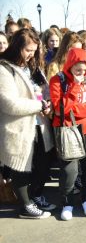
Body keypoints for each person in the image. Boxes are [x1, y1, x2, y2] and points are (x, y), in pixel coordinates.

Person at [0, 28, 55, 219]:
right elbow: (9, 103)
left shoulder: (33, 66)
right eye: (28, 50)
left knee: (43, 162)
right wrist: (39, 104)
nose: (31, 54)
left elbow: (45, 89)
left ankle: (35, 197)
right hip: (19, 127)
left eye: (34, 50)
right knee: (21, 167)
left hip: (40, 123)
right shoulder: (4, 68)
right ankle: (25, 205)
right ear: (17, 47)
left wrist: (48, 105)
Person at [50, 48, 86, 221]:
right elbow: (59, 109)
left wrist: (75, 110)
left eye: (84, 69)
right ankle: (67, 203)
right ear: (69, 66)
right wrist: (73, 88)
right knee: (69, 170)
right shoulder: (58, 80)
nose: (81, 73)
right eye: (77, 69)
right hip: (67, 130)